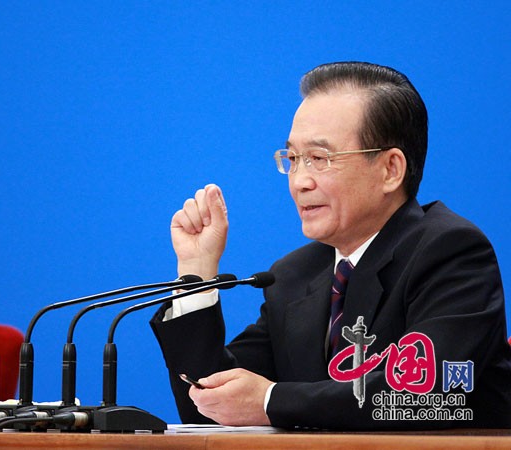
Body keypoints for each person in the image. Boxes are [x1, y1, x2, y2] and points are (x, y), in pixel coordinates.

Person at [150, 61, 511, 430]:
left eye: (319, 159)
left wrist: (271, 400)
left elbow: (422, 392)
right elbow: (210, 409)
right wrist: (195, 275)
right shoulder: (294, 275)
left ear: (390, 169)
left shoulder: (450, 252)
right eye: (293, 159)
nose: (299, 181)